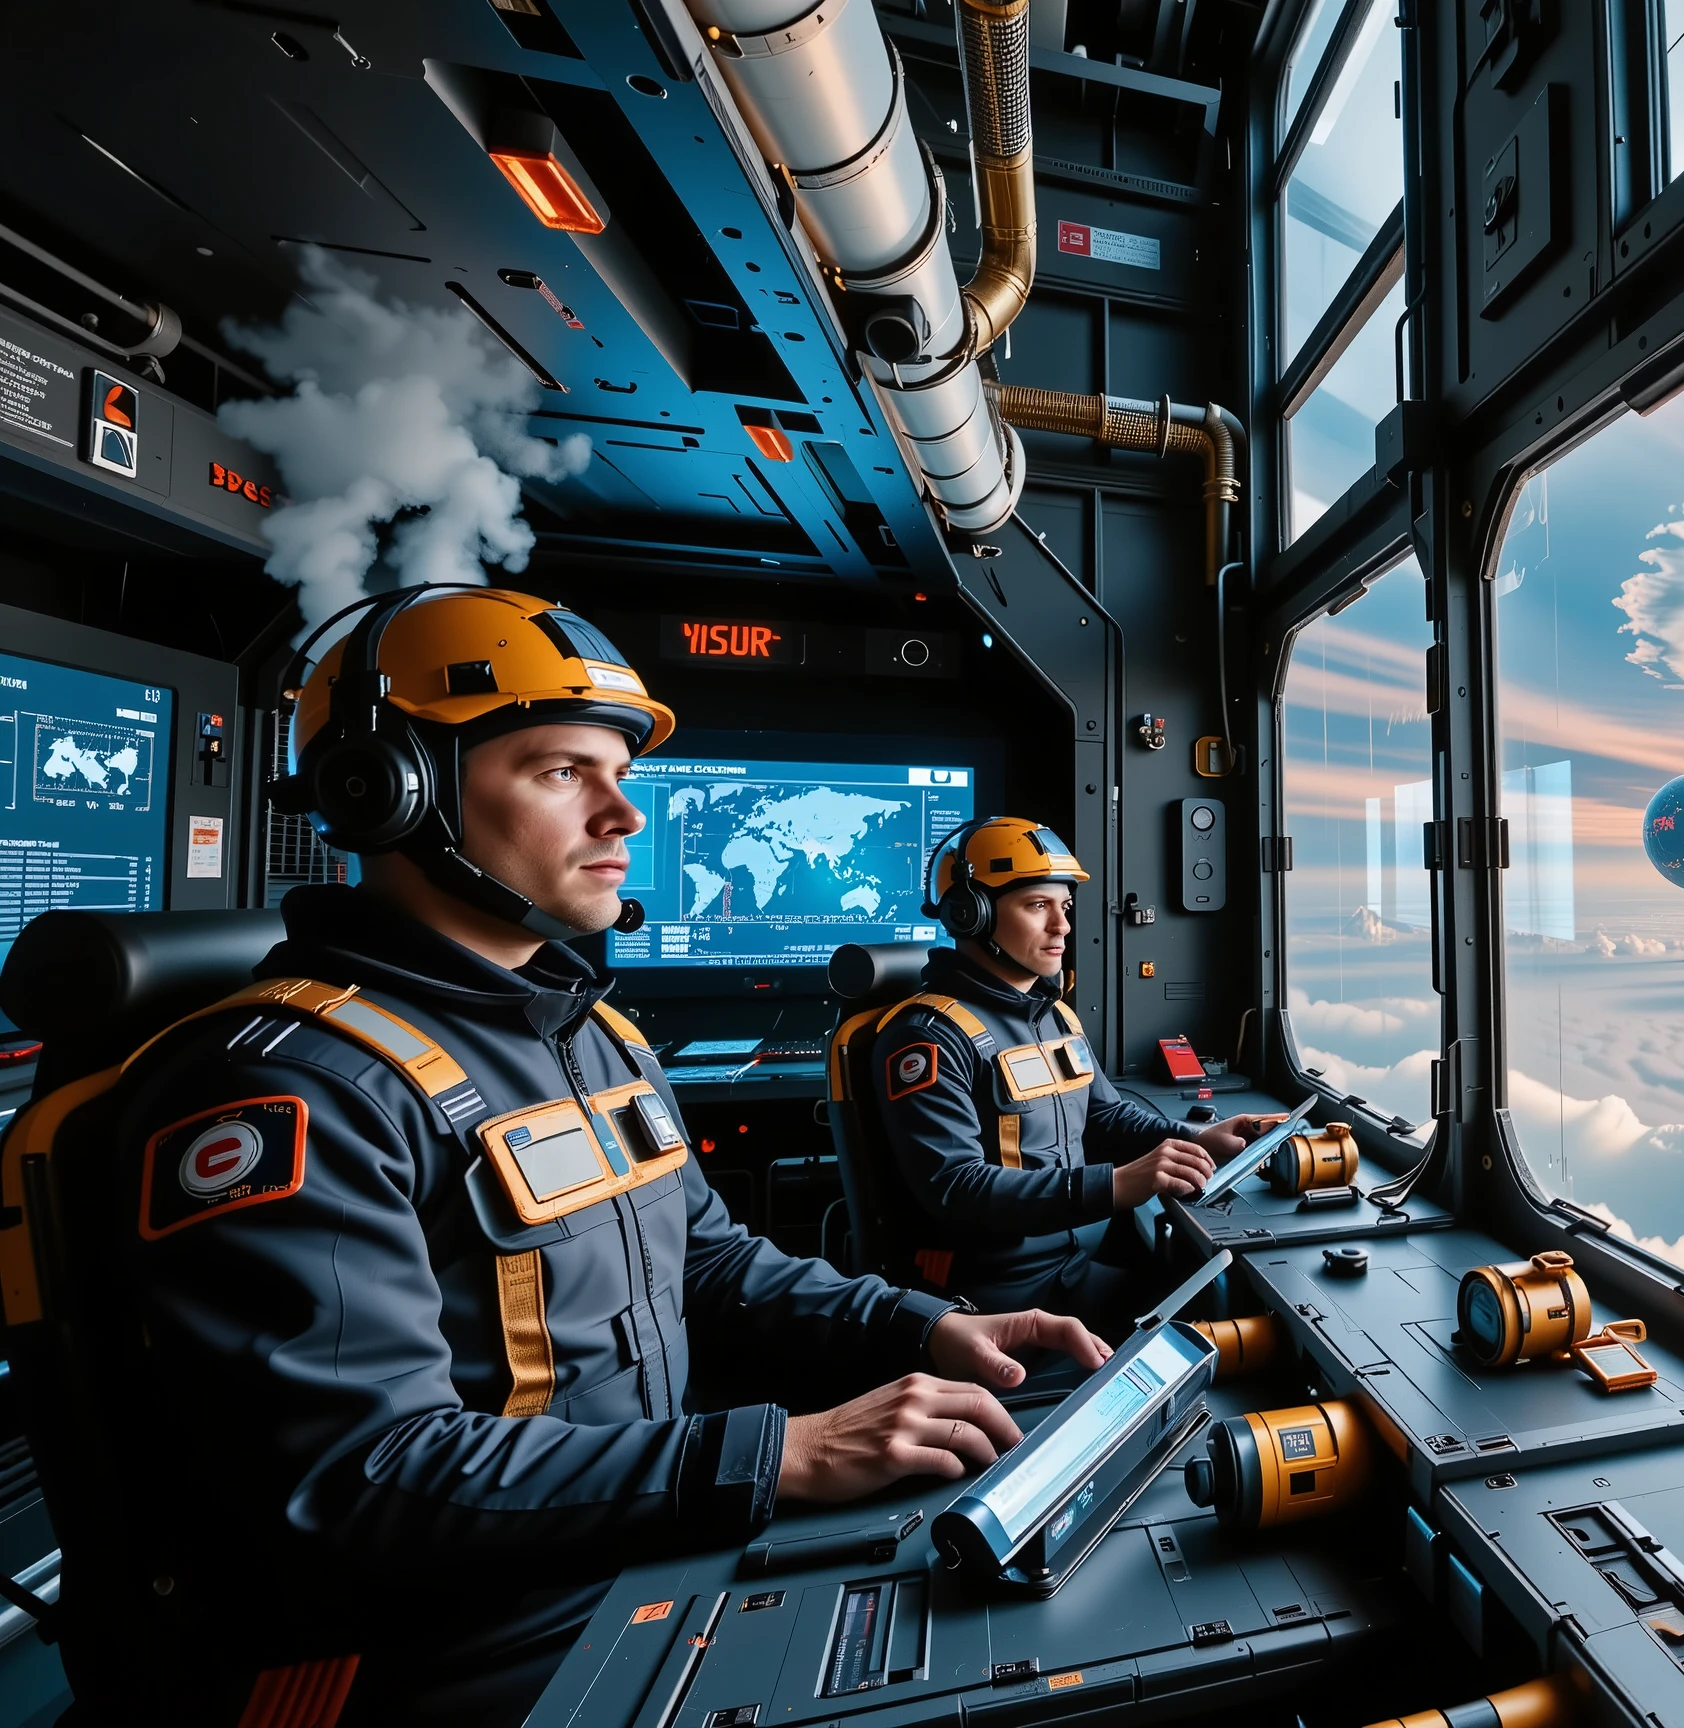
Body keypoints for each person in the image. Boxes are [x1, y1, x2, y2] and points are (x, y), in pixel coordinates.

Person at [90, 586, 1111, 1726]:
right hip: (451, 1650)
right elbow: (365, 1478)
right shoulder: (286, 1088)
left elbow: (713, 1264)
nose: (626, 815)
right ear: (389, 789)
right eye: (563, 771)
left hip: (639, 1559)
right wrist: (778, 1457)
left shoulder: (594, 1035)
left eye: (622, 775)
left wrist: (918, 1328)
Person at [862, 816, 1284, 1327]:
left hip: (1072, 1272)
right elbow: (956, 1187)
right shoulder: (927, 1037)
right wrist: (1115, 1186)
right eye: (1037, 905)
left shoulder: (1054, 1015)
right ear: (970, 914)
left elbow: (1105, 1118)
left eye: (1064, 906)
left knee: (1230, 1299)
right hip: (991, 1300)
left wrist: (1196, 1139)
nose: (1061, 926)